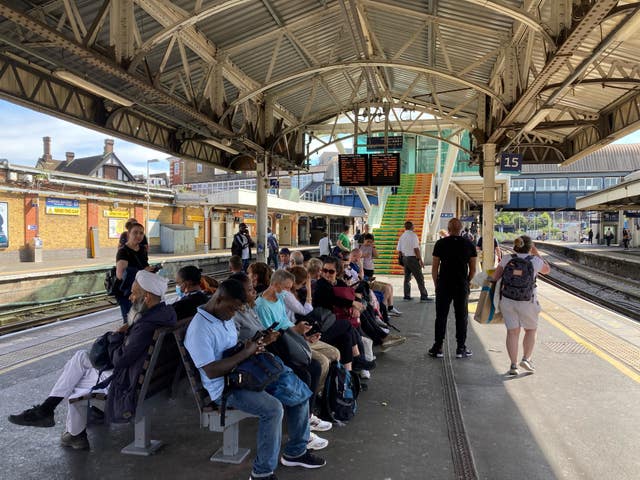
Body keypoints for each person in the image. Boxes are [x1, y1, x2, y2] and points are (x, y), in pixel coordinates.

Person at [8, 271, 176, 450]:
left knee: (77, 386)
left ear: (147, 297)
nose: (130, 296)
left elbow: (120, 359)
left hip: (128, 383)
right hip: (152, 379)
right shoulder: (165, 313)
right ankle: (50, 413)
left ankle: (67, 428)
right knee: (80, 359)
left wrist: (116, 337)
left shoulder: (145, 326)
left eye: (135, 293)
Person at [184, 279, 326, 479]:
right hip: (226, 387)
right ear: (220, 299)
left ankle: (296, 452)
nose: (234, 314)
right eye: (233, 309)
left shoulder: (222, 314)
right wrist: (246, 352)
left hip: (246, 373)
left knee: (298, 388)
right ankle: (262, 473)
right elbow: (212, 371)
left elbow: (232, 348)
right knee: (273, 409)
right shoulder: (200, 329)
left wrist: (253, 346)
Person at [229, 272, 333, 447]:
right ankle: (301, 436)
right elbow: (240, 348)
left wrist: (269, 339)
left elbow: (262, 334)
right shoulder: (251, 309)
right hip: (263, 359)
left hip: (274, 350)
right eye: (250, 289)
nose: (254, 291)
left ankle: (304, 425)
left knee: (313, 368)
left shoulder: (247, 309)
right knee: (302, 378)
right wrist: (264, 342)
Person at [492, 236, 550, 376]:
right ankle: (526, 359)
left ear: (515, 246)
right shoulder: (535, 261)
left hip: (508, 300)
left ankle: (513, 365)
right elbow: (547, 270)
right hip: (528, 301)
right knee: (530, 330)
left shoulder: (507, 259)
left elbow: (495, 277)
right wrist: (536, 252)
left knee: (512, 332)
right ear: (530, 247)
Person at [428, 218, 477, 359]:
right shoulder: (469, 244)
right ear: (461, 229)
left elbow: (435, 267)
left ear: (448, 229)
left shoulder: (440, 243)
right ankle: (461, 348)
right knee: (461, 316)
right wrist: (467, 282)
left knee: (441, 316)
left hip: (444, 284)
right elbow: (472, 269)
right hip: (461, 285)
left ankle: (438, 347)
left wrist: (437, 283)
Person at [115, 222, 156, 323]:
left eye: (141, 233)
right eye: (135, 233)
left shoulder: (142, 249)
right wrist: (143, 271)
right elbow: (120, 275)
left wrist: (151, 269)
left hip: (141, 290)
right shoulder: (123, 251)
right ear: (129, 234)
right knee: (130, 322)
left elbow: (144, 265)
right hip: (127, 292)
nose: (138, 235)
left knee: (141, 319)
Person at [396, 221, 432, 302]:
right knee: (419, 278)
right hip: (412, 259)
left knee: (407, 278)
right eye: (413, 225)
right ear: (411, 226)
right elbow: (416, 249)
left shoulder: (402, 236)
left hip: (405, 258)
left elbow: (399, 250)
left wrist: (402, 258)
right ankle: (423, 296)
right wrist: (420, 260)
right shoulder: (413, 235)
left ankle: (407, 296)